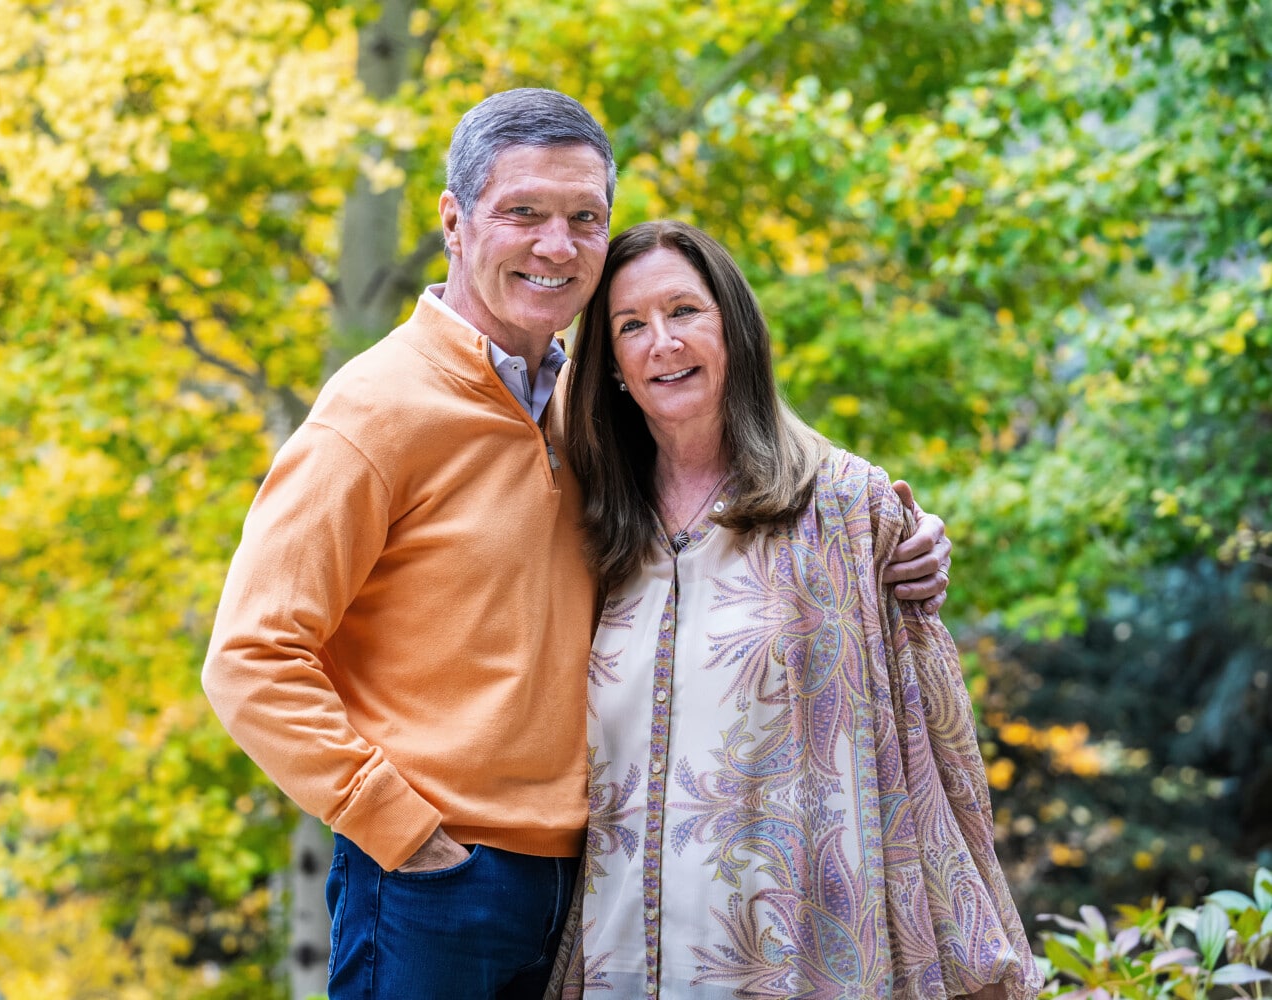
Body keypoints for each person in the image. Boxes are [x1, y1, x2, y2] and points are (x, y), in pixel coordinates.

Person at [201, 90, 952, 1000]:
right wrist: (402, 829)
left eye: (584, 219)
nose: (557, 246)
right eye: (523, 212)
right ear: (454, 222)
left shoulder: (588, 411)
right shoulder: (374, 410)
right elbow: (250, 658)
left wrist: (896, 538)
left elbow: (728, 493)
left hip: (589, 889)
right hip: (435, 884)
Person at [550, 220, 1036, 999]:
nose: (662, 343)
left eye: (684, 311)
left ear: (735, 329)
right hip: (623, 960)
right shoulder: (589, 520)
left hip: (799, 960)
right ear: (611, 366)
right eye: (630, 326)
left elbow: (931, 757)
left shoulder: (843, 505)